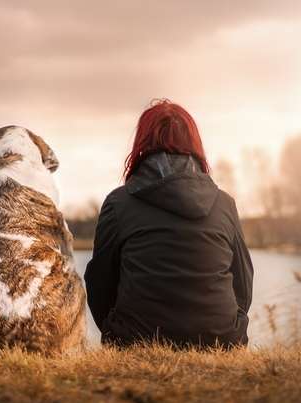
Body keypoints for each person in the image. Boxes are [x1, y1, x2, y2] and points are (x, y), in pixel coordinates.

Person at [84, 99, 253, 349]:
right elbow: (244, 283)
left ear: (142, 144)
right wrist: (230, 327)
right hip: (221, 341)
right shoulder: (224, 203)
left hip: (136, 341)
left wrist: (115, 330)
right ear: (195, 144)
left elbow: (99, 283)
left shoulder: (118, 203)